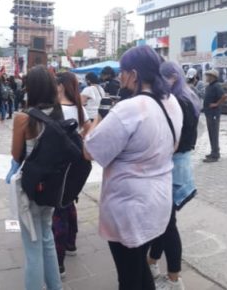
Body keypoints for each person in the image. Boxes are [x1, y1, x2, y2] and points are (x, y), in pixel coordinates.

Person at [82, 46, 183, 290]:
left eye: (123, 72)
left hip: (129, 208)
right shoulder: (172, 102)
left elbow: (89, 150)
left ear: (134, 74)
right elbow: (175, 144)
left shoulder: (129, 108)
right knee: (139, 267)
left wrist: (99, 117)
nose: (120, 77)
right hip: (158, 201)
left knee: (128, 276)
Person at [7, 66, 63, 290]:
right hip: (52, 188)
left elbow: (15, 153)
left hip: (29, 189)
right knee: (47, 239)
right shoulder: (59, 114)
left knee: (32, 248)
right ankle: (55, 287)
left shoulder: (23, 118)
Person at [148, 62, 202, 290]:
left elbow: (174, 140)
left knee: (168, 224)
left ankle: (174, 279)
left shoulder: (176, 101)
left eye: (162, 78)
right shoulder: (187, 96)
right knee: (165, 221)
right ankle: (152, 263)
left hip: (172, 166)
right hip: (180, 165)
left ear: (171, 77)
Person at [53, 72, 91, 276]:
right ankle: (71, 243)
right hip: (76, 162)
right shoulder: (79, 107)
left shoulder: (55, 109)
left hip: (59, 165)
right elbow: (88, 128)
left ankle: (58, 263)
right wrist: (78, 139)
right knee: (68, 201)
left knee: (58, 207)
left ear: (60, 86)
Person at [202, 70, 227, 163]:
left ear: (212, 77)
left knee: (214, 133)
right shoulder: (210, 86)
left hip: (214, 114)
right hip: (209, 113)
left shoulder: (216, 86)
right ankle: (214, 151)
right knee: (211, 133)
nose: (206, 77)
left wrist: (216, 104)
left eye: (208, 75)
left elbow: (224, 96)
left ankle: (215, 155)